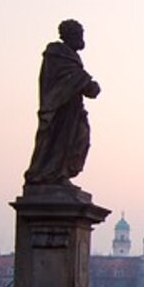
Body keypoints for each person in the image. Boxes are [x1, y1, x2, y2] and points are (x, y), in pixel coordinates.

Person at [25, 19, 101, 186]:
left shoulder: (70, 56)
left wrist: (85, 84)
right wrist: (87, 83)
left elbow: (73, 78)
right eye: (78, 35)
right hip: (59, 109)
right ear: (70, 36)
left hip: (73, 109)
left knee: (80, 138)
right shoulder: (57, 53)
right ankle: (53, 174)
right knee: (59, 140)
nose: (81, 39)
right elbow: (67, 78)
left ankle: (62, 173)